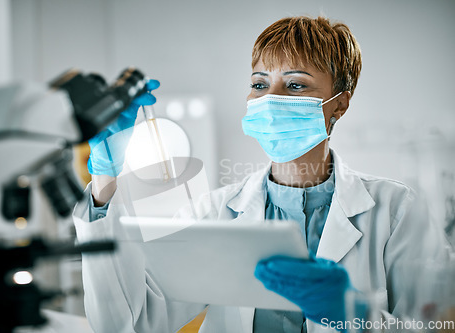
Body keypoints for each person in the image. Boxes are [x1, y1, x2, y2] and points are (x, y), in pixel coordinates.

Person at [73, 16, 450, 332]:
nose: (271, 99)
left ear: (340, 103)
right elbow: (129, 324)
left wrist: (356, 315)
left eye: (295, 84)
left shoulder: (396, 210)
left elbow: (440, 325)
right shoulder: (214, 213)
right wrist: (107, 181)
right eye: (259, 84)